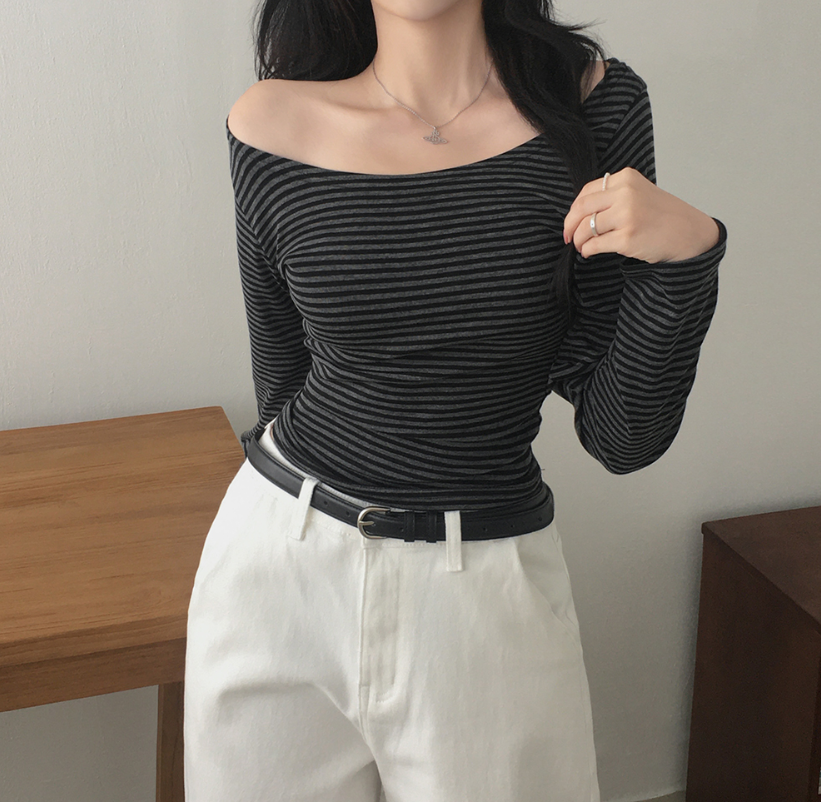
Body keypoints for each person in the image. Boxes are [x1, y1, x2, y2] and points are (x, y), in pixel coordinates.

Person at [183, 1, 728, 800]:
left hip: (481, 586)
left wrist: (686, 261)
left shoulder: (591, 108)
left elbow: (622, 435)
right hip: (277, 572)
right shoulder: (269, 123)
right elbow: (282, 380)